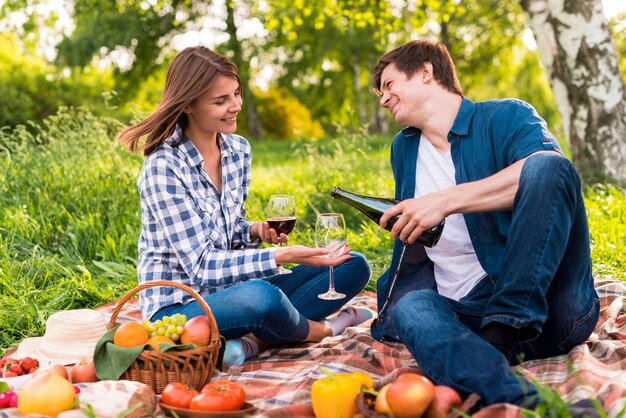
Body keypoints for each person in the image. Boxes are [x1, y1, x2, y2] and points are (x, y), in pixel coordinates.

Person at [370, 39, 600, 414]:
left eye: (390, 84)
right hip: (470, 319)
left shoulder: (506, 116)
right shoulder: (404, 148)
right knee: (412, 308)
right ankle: (529, 400)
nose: (383, 98)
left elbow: (548, 177)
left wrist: (444, 201)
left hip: (550, 310)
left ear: (426, 72)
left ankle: (507, 325)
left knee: (547, 166)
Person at [116, 46, 372, 366]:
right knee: (261, 298)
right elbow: (202, 265)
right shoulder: (164, 167)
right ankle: (323, 329)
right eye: (221, 101)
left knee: (353, 265)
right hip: (181, 308)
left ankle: (254, 341)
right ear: (189, 105)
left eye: (236, 94)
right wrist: (282, 255)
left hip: (235, 291)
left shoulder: (238, 150)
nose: (235, 106)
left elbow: (231, 229)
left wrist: (254, 231)